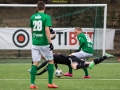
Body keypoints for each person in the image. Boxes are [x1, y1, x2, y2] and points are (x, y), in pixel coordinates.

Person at [29, 1, 57, 89]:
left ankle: (32, 84)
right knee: (51, 61)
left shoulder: (32, 17)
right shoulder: (46, 17)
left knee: (35, 63)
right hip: (44, 43)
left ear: (37, 8)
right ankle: (50, 83)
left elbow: (32, 30)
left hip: (35, 43)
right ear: (45, 8)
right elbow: (47, 30)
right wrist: (50, 42)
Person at [36, 53, 112, 76]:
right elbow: (48, 67)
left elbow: (44, 64)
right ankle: (105, 56)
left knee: (75, 67)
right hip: (73, 59)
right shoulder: (53, 58)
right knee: (89, 64)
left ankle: (89, 65)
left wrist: (36, 70)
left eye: (42, 56)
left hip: (71, 59)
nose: (42, 57)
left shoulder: (51, 57)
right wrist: (39, 73)